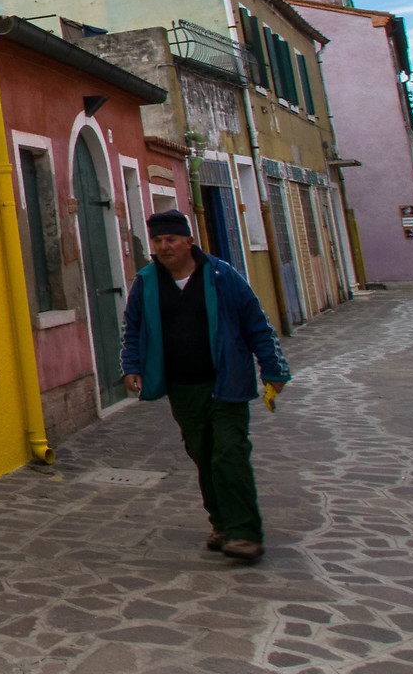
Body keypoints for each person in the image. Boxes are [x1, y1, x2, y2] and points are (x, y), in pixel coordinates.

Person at [121, 209, 290, 563]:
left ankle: (245, 532)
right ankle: (222, 524)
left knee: (229, 452)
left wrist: (272, 367)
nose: (164, 247)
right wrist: (132, 367)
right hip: (184, 387)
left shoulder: (221, 276)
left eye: (171, 239)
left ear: (188, 241)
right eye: (157, 240)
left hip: (226, 380)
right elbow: (134, 330)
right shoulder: (147, 282)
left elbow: (256, 322)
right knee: (204, 455)